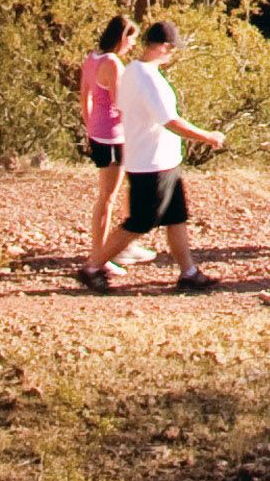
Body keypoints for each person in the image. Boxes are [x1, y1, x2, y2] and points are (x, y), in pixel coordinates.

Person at [86, 17, 227, 293]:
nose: (172, 54)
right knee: (140, 222)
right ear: (162, 47)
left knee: (175, 217)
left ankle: (189, 272)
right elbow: (170, 121)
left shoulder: (133, 72)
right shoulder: (147, 79)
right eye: (172, 49)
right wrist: (207, 137)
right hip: (150, 162)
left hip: (159, 159)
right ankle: (92, 266)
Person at [73, 16, 133, 277]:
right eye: (131, 39)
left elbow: (84, 95)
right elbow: (121, 105)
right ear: (122, 38)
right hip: (113, 136)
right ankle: (100, 256)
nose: (132, 45)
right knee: (107, 198)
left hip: (99, 133)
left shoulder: (92, 58)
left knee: (113, 193)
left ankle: (116, 246)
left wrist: (90, 127)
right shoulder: (112, 63)